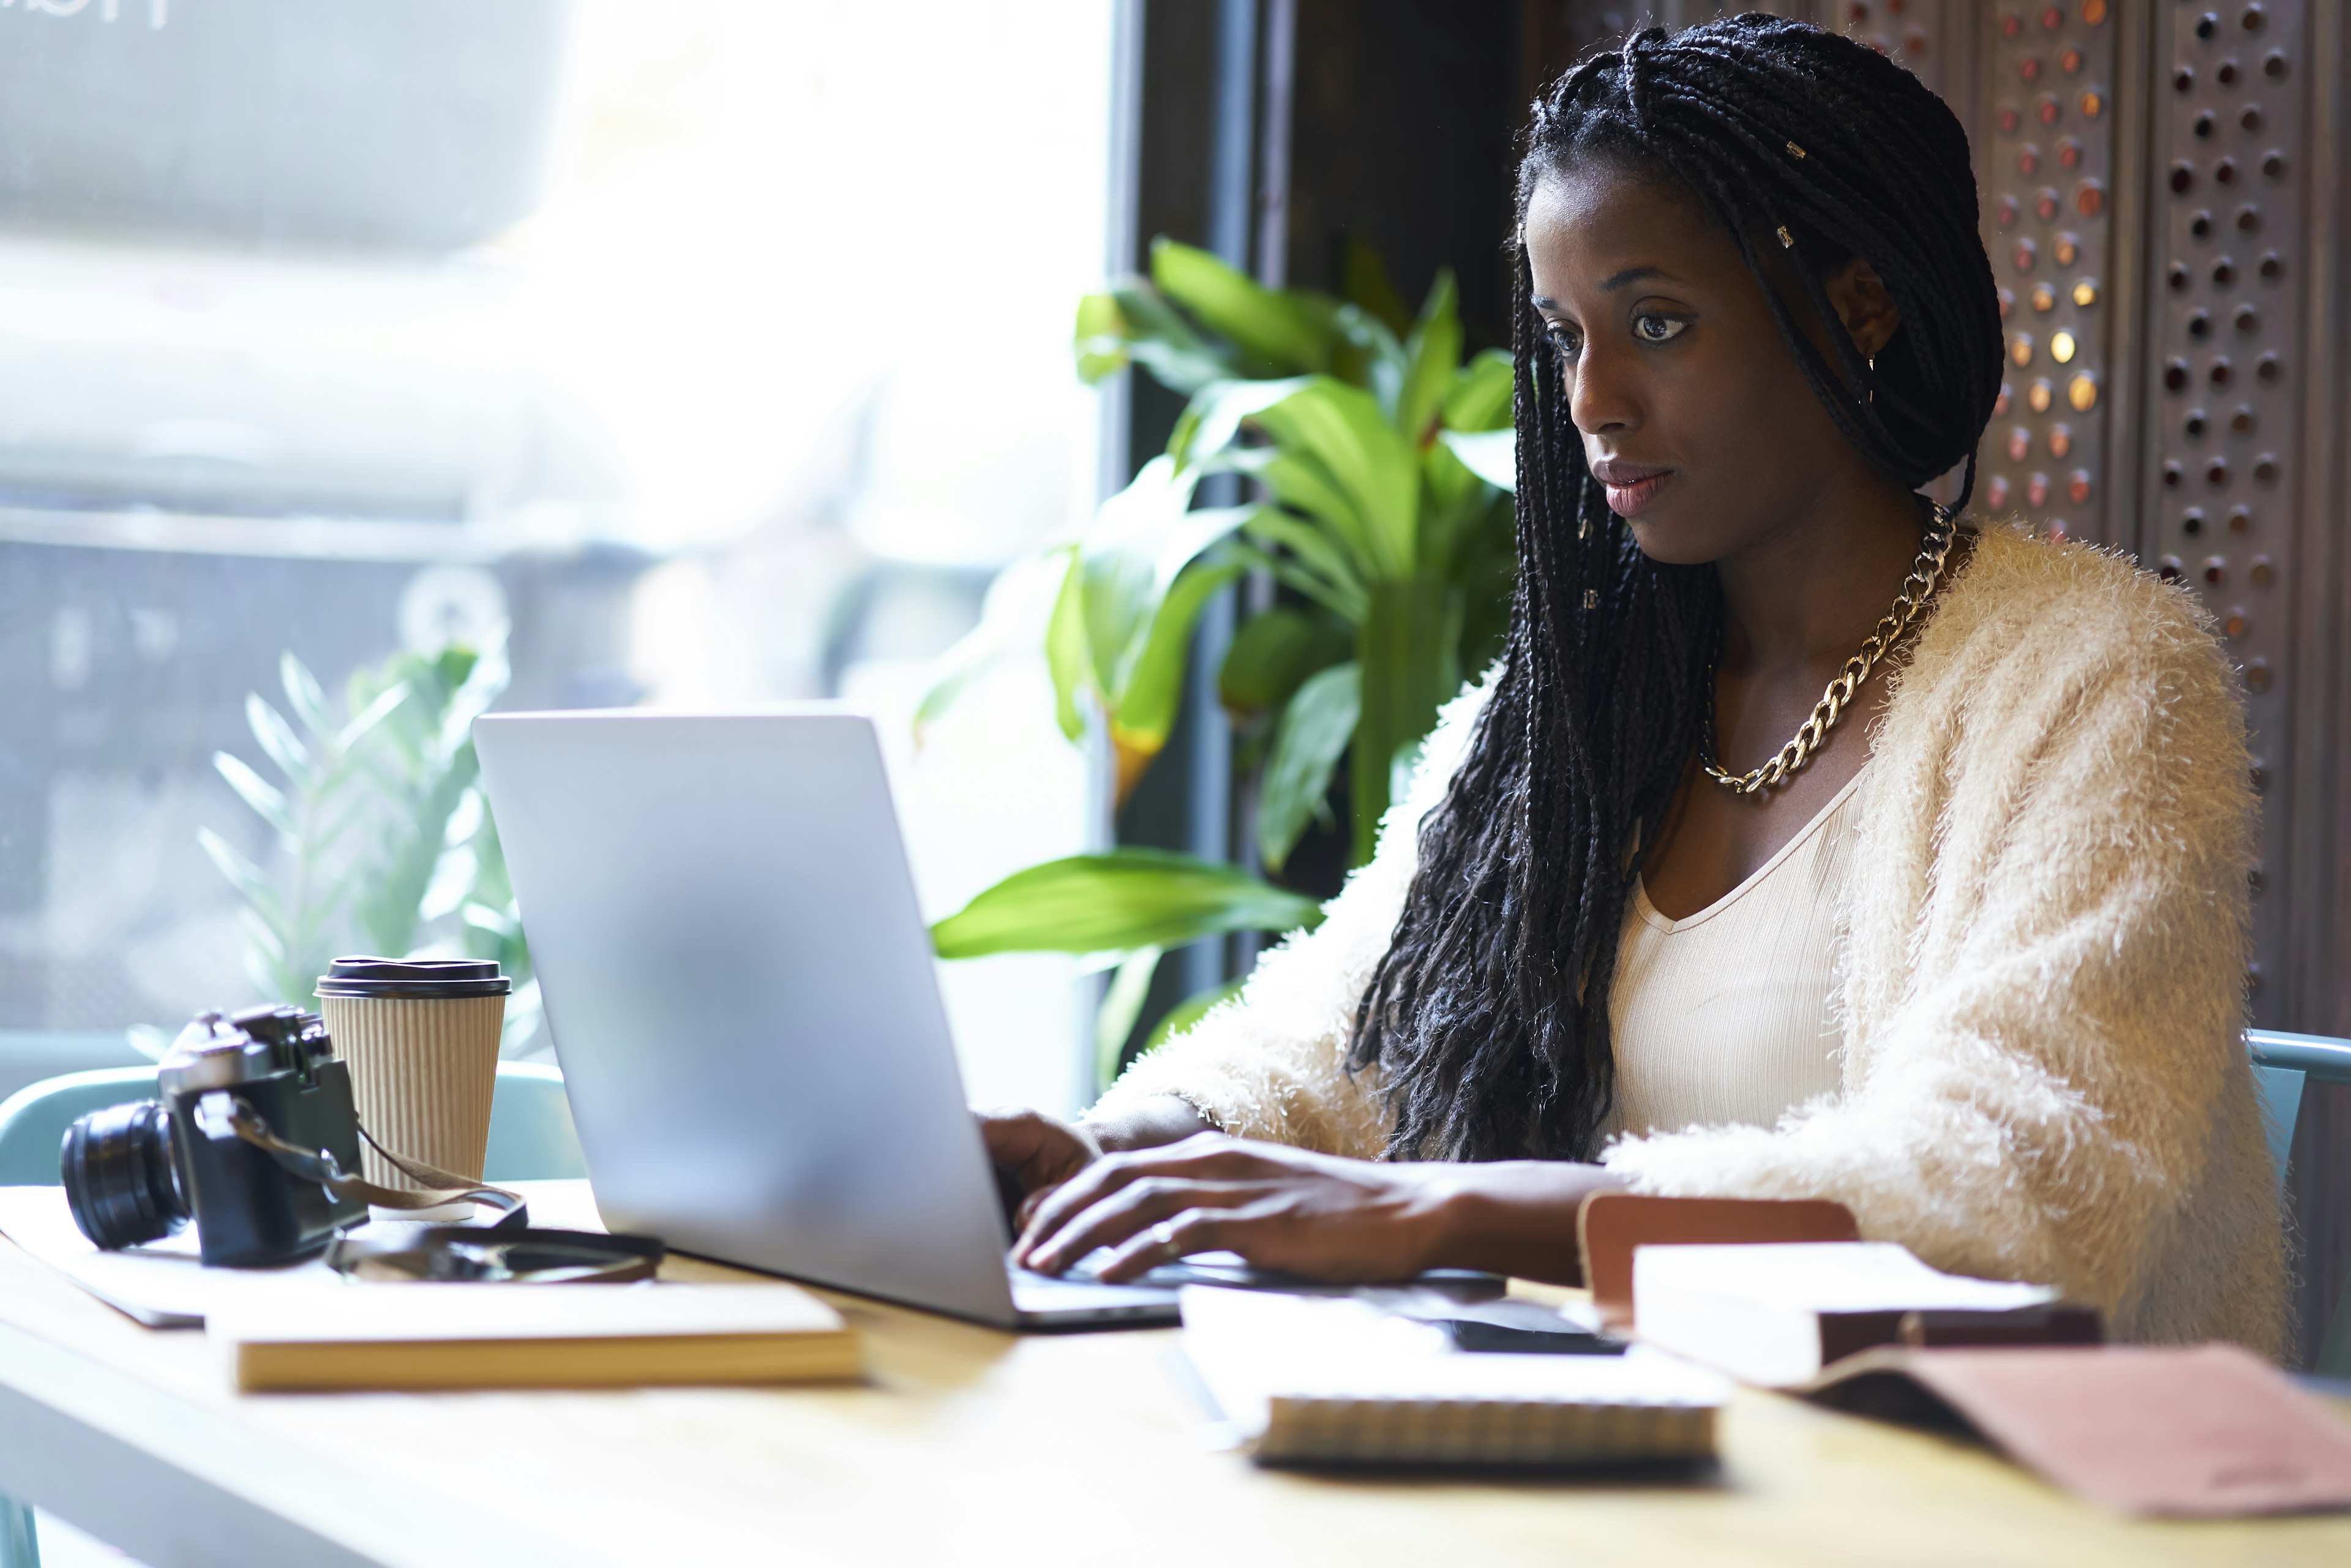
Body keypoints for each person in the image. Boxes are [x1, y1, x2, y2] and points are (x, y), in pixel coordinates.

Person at [984, 17, 2284, 1350]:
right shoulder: (1572, 702)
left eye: (1656, 323)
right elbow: (1341, 1042)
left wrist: (1447, 1212)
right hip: (1640, 1467)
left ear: (1859, 305)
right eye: (1564, 337)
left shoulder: (2101, 676)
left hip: (2009, 1502)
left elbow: (2014, 1197)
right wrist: (1115, 1149)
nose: (1591, 399)